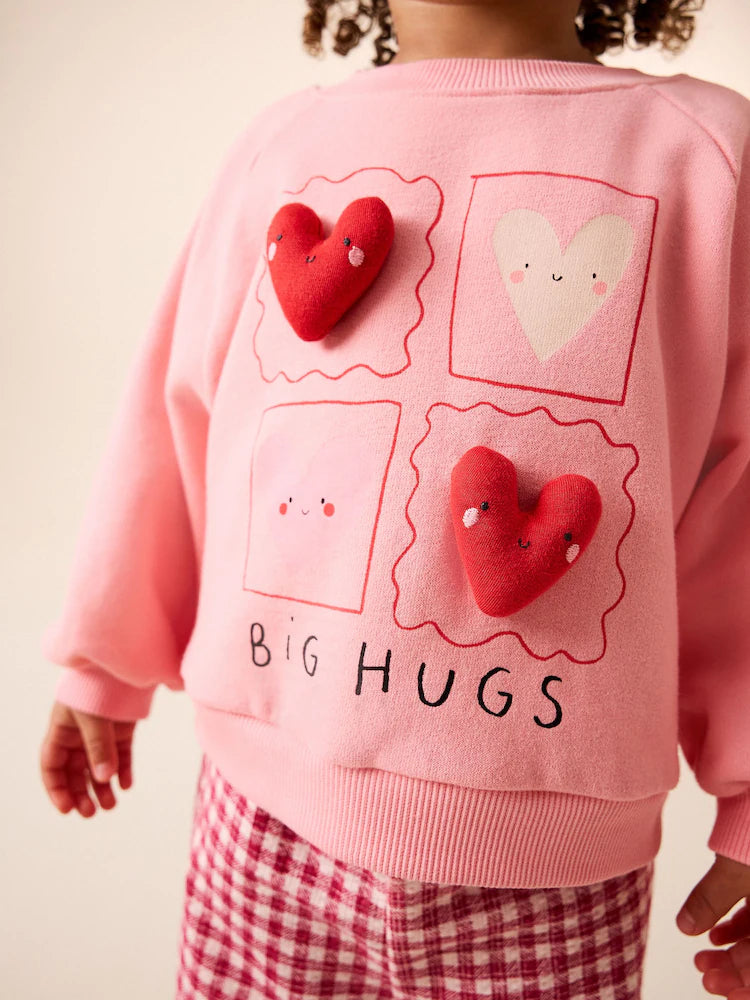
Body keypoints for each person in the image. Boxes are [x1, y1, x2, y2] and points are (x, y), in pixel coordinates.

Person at [39, 1, 750, 997]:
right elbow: (181, 415)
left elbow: (740, 510)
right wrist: (105, 660)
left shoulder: (706, 157)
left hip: (547, 871)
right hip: (263, 821)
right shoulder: (284, 147)